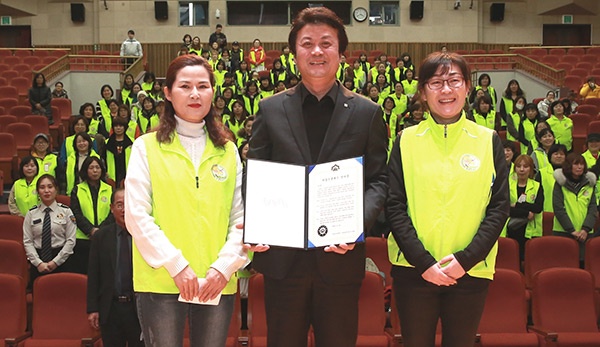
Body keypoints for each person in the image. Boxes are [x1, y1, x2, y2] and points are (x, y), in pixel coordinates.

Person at [247, 7, 388, 347]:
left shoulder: (368, 113)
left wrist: (355, 222)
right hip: (283, 260)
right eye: (307, 43)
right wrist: (255, 224)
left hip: (339, 259)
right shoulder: (270, 109)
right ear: (294, 53)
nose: (317, 51)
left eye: (326, 43)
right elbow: (255, 174)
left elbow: (379, 181)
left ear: (341, 52)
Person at [386, 52, 509, 347]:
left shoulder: (488, 139)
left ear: (467, 88)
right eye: (436, 82)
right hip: (414, 271)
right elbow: (394, 206)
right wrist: (424, 262)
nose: (446, 90)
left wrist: (465, 260)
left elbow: (499, 207)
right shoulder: (405, 140)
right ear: (423, 93)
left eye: (454, 80)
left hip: (470, 271)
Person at [124, 54, 247, 346]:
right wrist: (177, 265)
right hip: (162, 280)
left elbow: (241, 218)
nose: (195, 94)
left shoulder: (228, 151)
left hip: (216, 281)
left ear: (213, 92)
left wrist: (224, 268)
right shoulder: (146, 147)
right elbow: (136, 215)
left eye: (203, 86)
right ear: (167, 93)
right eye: (185, 86)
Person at [87, 188, 144, 347]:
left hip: (137, 309)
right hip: (110, 308)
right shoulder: (101, 237)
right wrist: (93, 308)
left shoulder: (144, 236)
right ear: (112, 209)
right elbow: (93, 275)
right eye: (119, 205)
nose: (124, 209)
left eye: (128, 204)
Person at [23, 174, 76, 287]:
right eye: (42, 187)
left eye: (50, 187)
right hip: (38, 261)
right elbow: (28, 241)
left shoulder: (66, 212)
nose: (46, 190)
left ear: (56, 190)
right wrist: (38, 263)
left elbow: (70, 241)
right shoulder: (31, 213)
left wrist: (56, 262)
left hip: (61, 260)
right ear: (38, 192)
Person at [70, 157, 113, 275]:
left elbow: (112, 214)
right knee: (84, 274)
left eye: (97, 167)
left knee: (103, 273)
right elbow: (76, 213)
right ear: (85, 170)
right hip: (83, 239)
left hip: (104, 237)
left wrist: (100, 231)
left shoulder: (109, 189)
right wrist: (91, 230)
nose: (95, 171)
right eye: (91, 168)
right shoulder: (77, 189)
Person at [553, 153, 597, 260]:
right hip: (563, 232)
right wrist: (571, 230)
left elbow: (592, 209)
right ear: (569, 166)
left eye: (582, 164)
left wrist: (585, 229)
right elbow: (558, 209)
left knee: (584, 266)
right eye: (576, 164)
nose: (579, 167)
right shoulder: (560, 184)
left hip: (585, 234)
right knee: (564, 264)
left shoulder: (590, 184)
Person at [504, 154, 544, 260]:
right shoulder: (508, 185)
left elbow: (538, 207)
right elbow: (505, 208)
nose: (522, 169)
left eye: (525, 166)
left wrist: (517, 205)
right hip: (510, 228)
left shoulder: (537, 186)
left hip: (530, 230)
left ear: (530, 169)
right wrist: (526, 213)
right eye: (518, 166)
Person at [104, 117, 133, 188]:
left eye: (121, 126)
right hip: (112, 176)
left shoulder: (132, 142)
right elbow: (103, 158)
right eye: (116, 126)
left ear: (125, 127)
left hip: (128, 174)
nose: (118, 128)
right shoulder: (107, 142)